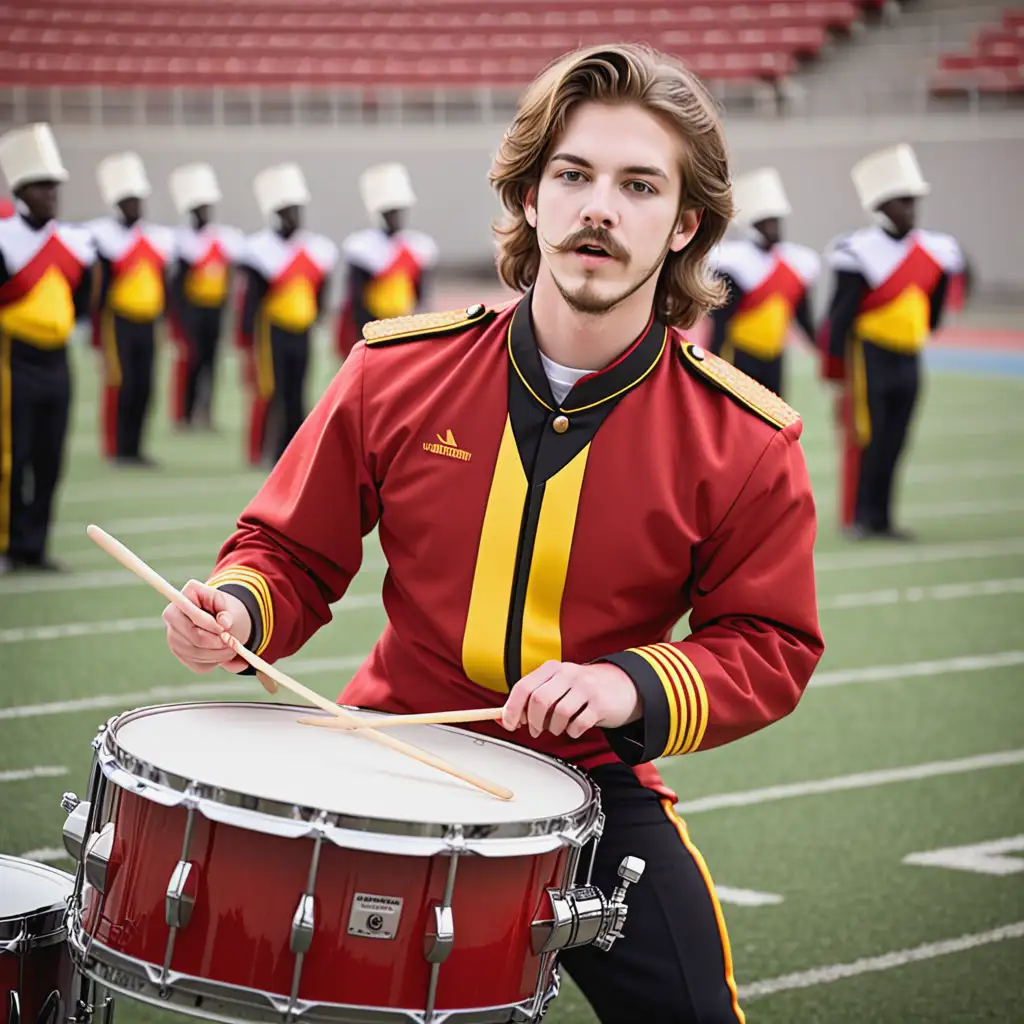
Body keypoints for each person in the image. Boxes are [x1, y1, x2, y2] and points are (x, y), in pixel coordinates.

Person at [163, 44, 823, 1024]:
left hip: (592, 782)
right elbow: (289, 552)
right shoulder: (393, 371)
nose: (599, 207)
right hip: (390, 747)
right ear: (527, 197)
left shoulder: (745, 438)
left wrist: (625, 683)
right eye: (572, 175)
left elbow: (771, 645)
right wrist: (237, 606)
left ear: (684, 223)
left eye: (638, 184)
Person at [818, 143, 964, 540]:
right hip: (870, 356)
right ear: (881, 206)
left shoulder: (937, 249)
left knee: (897, 437)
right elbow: (840, 313)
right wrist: (835, 368)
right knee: (870, 435)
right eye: (902, 201)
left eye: (913, 201)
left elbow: (935, 306)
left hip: (910, 355)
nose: (910, 210)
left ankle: (884, 517)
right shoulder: (857, 251)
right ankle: (863, 517)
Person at [0, 123, 94, 574]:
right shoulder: (4, 239)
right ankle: (8, 545)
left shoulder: (74, 242)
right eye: (41, 186)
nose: (51, 195)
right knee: (9, 457)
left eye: (54, 186)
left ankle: (35, 546)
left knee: (50, 457)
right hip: (12, 358)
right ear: (20, 190)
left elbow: (82, 300)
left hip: (58, 360)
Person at [236, 162, 337, 467]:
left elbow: (321, 288)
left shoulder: (316, 248)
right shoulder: (259, 250)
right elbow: (251, 299)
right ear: (277, 214)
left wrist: (316, 316)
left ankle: (292, 450)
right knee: (270, 390)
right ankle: (261, 451)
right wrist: (247, 337)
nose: (295, 217)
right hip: (273, 330)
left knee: (298, 392)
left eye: (298, 210)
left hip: (301, 329)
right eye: (289, 210)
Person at [89, 151, 175, 466]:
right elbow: (100, 288)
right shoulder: (105, 238)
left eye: (138, 200)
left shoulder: (155, 238)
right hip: (119, 320)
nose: (135, 206)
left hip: (148, 322)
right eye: (128, 200)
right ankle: (116, 447)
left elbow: (164, 283)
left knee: (145, 384)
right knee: (120, 381)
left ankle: (136, 446)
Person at [707, 167, 819, 398]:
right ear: (751, 225)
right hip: (740, 352)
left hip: (775, 355)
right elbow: (721, 320)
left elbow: (801, 314)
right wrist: (714, 361)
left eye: (776, 222)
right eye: (767, 223)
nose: (774, 228)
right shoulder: (735, 262)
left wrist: (822, 347)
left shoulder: (794, 263)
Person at [167, 162, 244, 430]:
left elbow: (231, 270)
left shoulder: (220, 239)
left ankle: (206, 412)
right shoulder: (183, 241)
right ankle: (185, 414)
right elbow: (178, 284)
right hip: (193, 310)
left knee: (212, 363)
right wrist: (179, 317)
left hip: (215, 310)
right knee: (192, 362)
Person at [335, 162, 438, 361]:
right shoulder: (364, 249)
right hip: (375, 324)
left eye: (399, 212)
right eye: (391, 212)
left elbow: (419, 292)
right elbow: (356, 296)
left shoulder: (415, 247)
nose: (396, 218)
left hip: (405, 324)